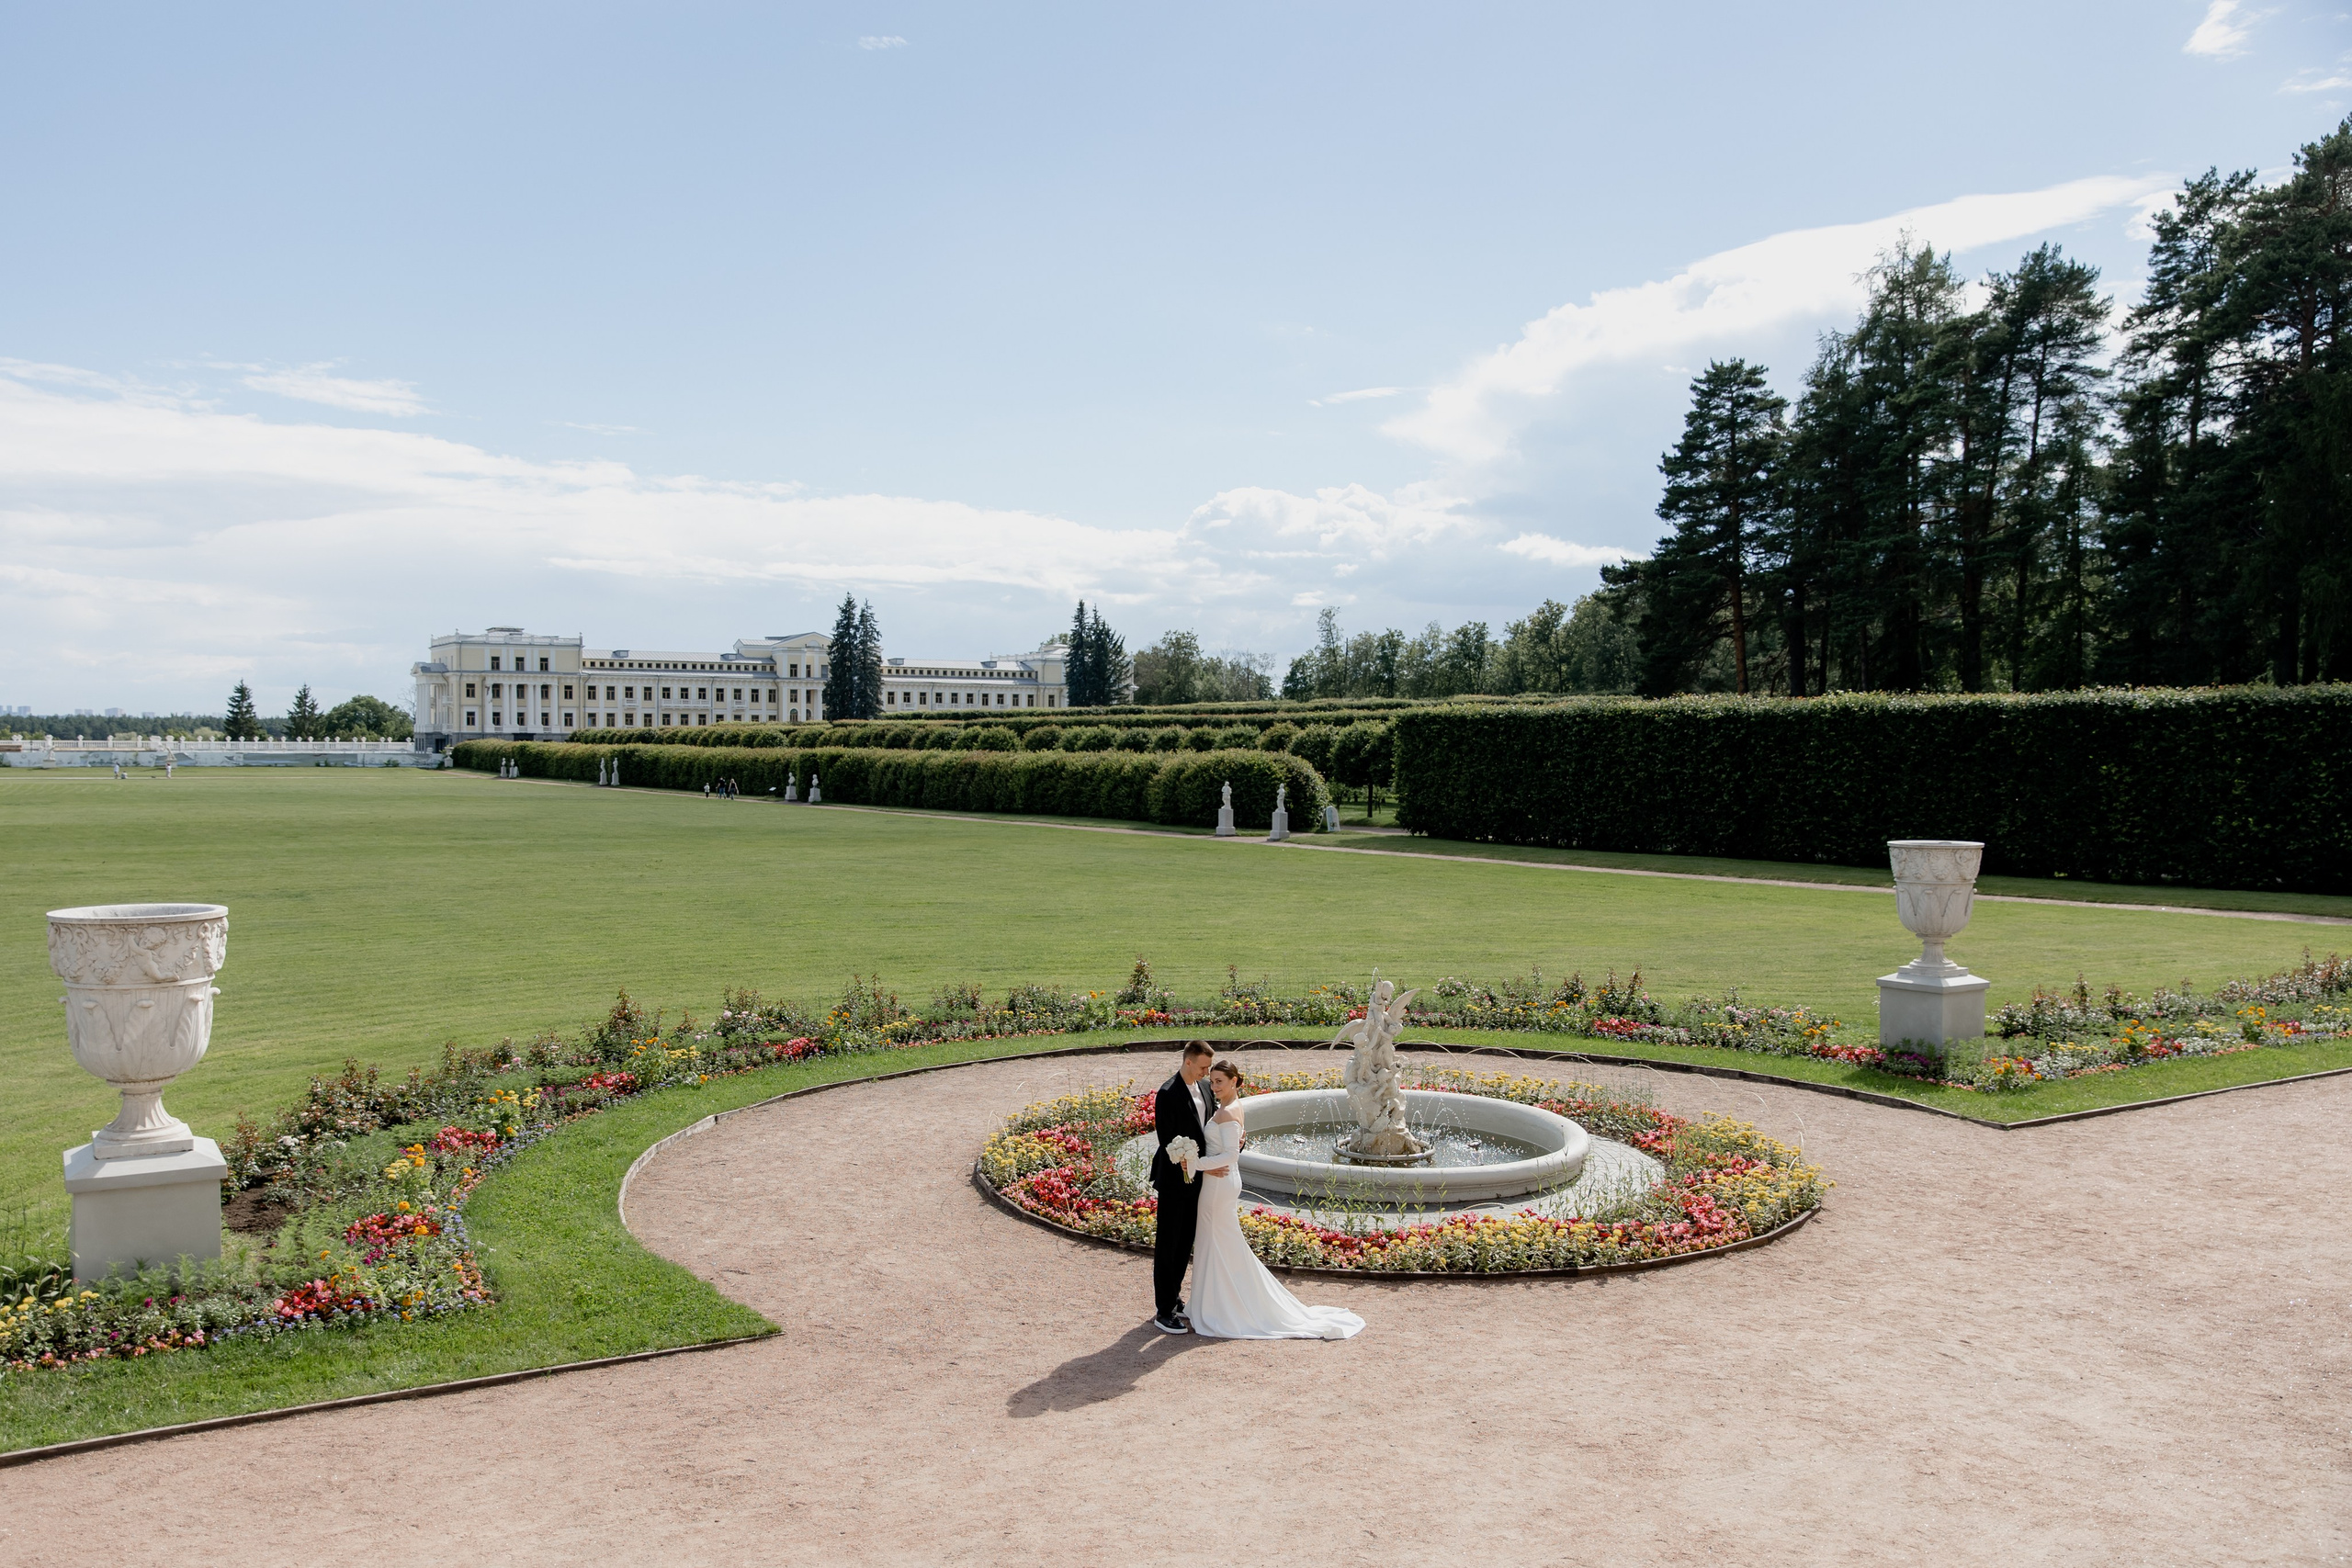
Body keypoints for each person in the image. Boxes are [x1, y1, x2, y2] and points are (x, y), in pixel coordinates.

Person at [1176, 1059, 1364, 1342]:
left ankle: (1222, 1309)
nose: (1213, 1086)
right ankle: (1212, 1304)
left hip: (1219, 1185)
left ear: (1236, 1082)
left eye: (1219, 1082)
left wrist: (1193, 1164)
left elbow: (1230, 1156)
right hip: (1219, 1183)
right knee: (1217, 1243)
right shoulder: (1229, 1108)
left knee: (1216, 1242)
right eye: (1212, 1081)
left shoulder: (1228, 1112)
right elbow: (1233, 1146)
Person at [1148, 1042, 1216, 1335]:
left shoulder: (1205, 1089)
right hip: (1176, 1182)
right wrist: (1187, 1161)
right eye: (1203, 1066)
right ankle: (1163, 1311)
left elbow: (1211, 1130)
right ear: (1188, 1062)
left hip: (1199, 1180)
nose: (1208, 1072)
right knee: (1169, 1243)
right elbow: (1168, 1142)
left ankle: (1174, 1298)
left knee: (1185, 1241)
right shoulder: (1167, 1093)